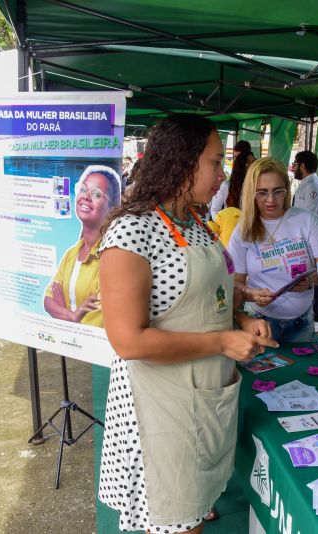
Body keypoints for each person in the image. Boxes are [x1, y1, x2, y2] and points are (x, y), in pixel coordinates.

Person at [97, 114, 277, 534]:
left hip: (202, 398)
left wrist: (240, 318)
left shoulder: (196, 223)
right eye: (215, 162)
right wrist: (221, 342)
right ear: (182, 162)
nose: (223, 174)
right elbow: (128, 340)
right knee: (177, 519)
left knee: (193, 510)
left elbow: (209, 298)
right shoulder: (131, 232)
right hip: (160, 410)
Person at [228, 157, 318, 343]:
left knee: (301, 372)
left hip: (301, 323)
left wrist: (310, 281)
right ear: (251, 193)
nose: (271, 200)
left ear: (287, 189)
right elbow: (236, 282)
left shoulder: (306, 220)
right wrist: (251, 295)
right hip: (259, 322)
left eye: (278, 191)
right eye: (262, 192)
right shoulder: (243, 229)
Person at [44, 165, 122, 327]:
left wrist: (62, 311)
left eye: (96, 194)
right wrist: (71, 315)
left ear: (112, 209)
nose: (86, 196)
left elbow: (98, 321)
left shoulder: (110, 258)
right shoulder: (71, 254)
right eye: (83, 189)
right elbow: (48, 300)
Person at [208, 151, 252, 246]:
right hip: (230, 238)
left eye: (254, 161)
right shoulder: (226, 186)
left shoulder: (256, 187)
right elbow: (215, 209)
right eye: (249, 162)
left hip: (250, 235)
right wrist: (224, 225)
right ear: (241, 167)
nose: (253, 164)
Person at [292, 150, 318, 232]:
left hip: (314, 233)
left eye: (294, 164)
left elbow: (306, 215)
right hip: (305, 230)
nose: (293, 168)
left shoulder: (314, 185)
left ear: (302, 166)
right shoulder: (306, 182)